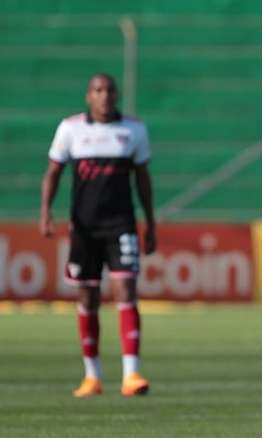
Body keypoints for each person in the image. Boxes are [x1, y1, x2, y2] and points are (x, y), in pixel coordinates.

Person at [39, 73, 156, 398]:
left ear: (116, 95)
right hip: (85, 228)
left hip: (121, 225)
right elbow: (53, 173)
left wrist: (151, 223)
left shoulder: (133, 130)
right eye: (98, 90)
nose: (104, 96)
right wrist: (46, 212)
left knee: (126, 290)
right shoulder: (71, 129)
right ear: (89, 95)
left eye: (109, 90)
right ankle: (92, 376)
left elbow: (143, 180)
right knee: (87, 297)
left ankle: (131, 374)